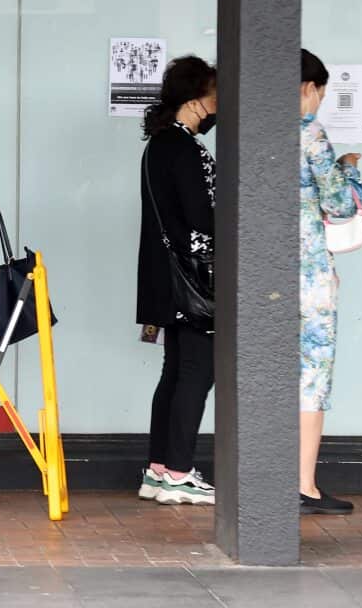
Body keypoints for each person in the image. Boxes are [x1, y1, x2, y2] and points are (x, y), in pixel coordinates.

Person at [135, 55, 218, 506]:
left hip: (168, 279)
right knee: (196, 372)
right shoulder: (183, 147)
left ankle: (159, 469)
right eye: (215, 94)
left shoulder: (159, 144)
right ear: (196, 99)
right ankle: (180, 471)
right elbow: (201, 215)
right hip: (195, 280)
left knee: (175, 372)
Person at [298, 48, 362, 515]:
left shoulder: (252, 133)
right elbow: (340, 205)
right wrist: (352, 169)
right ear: (309, 88)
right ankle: (304, 484)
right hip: (310, 278)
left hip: (263, 273)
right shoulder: (311, 133)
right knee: (311, 378)